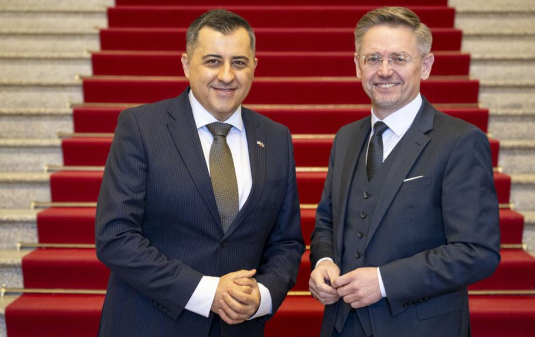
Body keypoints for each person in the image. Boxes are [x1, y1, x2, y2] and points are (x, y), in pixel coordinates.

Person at [95, 9, 304, 336]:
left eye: (238, 62)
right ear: (185, 64)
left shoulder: (276, 138)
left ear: (254, 67)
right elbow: (115, 236)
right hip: (150, 324)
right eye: (212, 61)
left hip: (239, 328)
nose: (226, 75)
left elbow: (287, 242)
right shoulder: (141, 127)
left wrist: (262, 296)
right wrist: (206, 292)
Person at [309, 7, 501, 337]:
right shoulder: (346, 138)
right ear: (358, 66)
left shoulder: (460, 142)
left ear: (425, 66)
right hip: (342, 325)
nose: (385, 71)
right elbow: (327, 220)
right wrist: (323, 263)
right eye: (373, 59)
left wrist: (384, 282)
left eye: (399, 58)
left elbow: (477, 252)